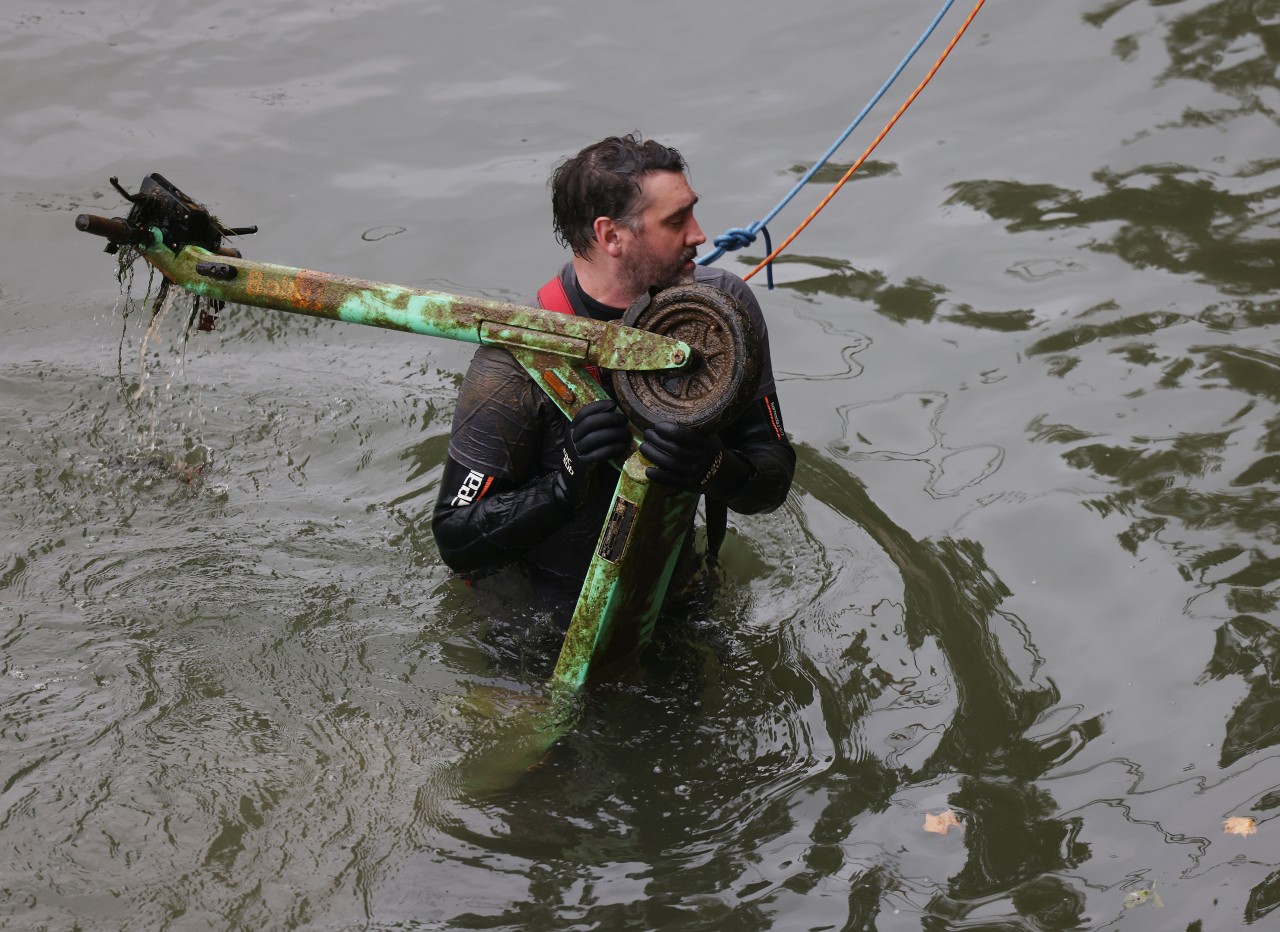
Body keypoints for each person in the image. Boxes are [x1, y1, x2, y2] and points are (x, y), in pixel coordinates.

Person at [432, 134, 795, 617]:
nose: (700, 235)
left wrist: (715, 467)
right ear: (611, 236)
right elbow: (456, 540)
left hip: (673, 597)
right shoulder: (517, 359)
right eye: (676, 221)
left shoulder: (720, 316)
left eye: (692, 211)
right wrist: (564, 482)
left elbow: (771, 480)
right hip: (540, 626)